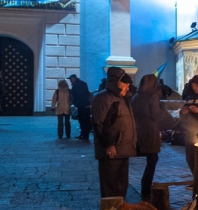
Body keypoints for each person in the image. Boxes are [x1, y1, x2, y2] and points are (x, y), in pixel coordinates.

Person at [92, 67, 137, 199]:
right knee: (111, 185)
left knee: (121, 185)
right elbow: (100, 124)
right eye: (125, 84)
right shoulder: (104, 99)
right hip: (112, 151)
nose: (127, 88)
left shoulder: (123, 99)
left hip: (122, 149)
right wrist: (109, 144)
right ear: (116, 83)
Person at [132, 74, 163, 200]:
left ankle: (144, 186)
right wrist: (163, 111)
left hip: (139, 129)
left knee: (150, 158)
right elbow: (155, 115)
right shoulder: (153, 96)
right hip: (150, 130)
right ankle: (145, 188)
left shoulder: (136, 96)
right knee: (152, 159)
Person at [180, 75, 198, 174]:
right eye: (192, 86)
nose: (194, 88)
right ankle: (195, 177)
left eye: (196, 86)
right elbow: (183, 112)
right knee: (190, 156)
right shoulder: (190, 97)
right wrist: (183, 112)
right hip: (191, 131)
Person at [68, 74, 92, 140]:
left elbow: (78, 96)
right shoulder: (81, 84)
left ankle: (85, 135)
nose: (70, 81)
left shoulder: (78, 85)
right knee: (83, 120)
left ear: (74, 78)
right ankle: (83, 134)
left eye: (71, 79)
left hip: (83, 105)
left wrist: (75, 102)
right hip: (83, 105)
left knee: (83, 121)